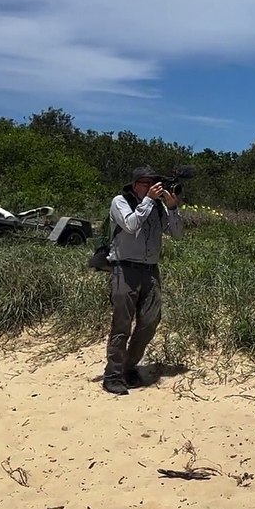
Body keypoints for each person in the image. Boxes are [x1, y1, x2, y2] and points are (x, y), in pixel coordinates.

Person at [102, 166, 185, 396]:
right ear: (135, 184)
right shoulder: (120, 201)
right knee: (122, 325)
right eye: (146, 183)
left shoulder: (158, 207)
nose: (151, 187)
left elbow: (177, 235)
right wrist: (148, 201)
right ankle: (113, 376)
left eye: (154, 183)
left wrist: (172, 207)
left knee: (150, 321)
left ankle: (128, 366)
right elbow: (130, 225)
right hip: (124, 269)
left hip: (150, 271)